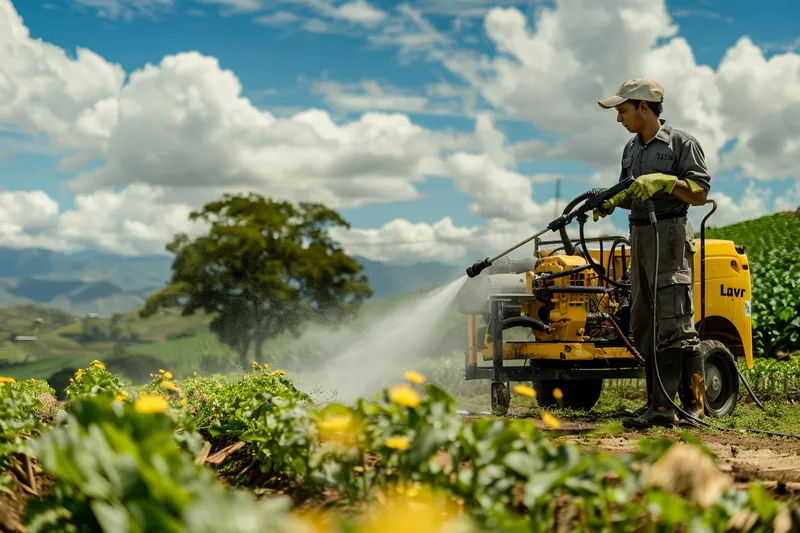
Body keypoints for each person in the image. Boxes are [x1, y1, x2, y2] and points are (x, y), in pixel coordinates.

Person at [594, 78, 711, 428]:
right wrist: (613, 200)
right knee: (644, 321)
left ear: (644, 108)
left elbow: (700, 193)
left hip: (670, 234)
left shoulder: (681, 144)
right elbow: (630, 193)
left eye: (623, 111)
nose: (619, 119)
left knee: (674, 322)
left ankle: (692, 407)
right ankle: (658, 404)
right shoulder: (631, 150)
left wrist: (667, 182)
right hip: (640, 236)